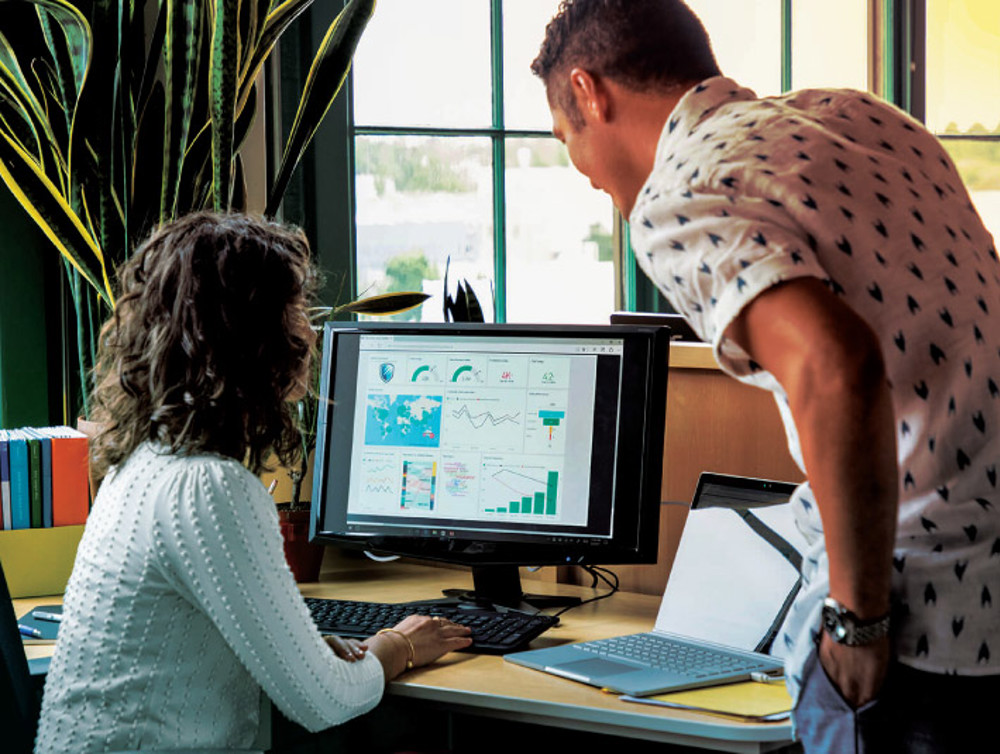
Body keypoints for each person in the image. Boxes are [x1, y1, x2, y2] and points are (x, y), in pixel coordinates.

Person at [532, 1, 999, 751]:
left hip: (921, 636)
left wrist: (857, 621)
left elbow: (835, 364)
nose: (585, 177)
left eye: (567, 140)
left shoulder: (679, 192)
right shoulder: (862, 119)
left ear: (589, 93)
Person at [34, 212, 472, 753]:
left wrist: (306, 651)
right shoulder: (210, 489)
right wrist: (398, 644)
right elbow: (325, 702)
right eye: (292, 313)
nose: (310, 332)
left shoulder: (141, 463)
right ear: (248, 335)